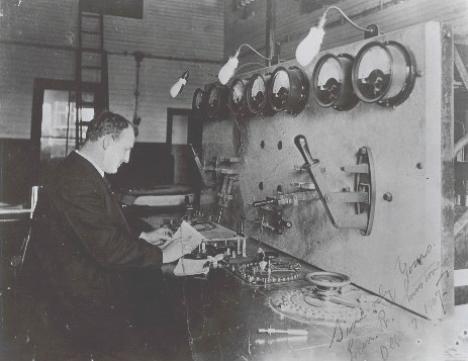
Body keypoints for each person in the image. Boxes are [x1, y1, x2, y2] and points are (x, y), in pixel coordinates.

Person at [19, 111, 192, 360]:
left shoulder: (82, 171)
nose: (127, 159)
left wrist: (142, 235)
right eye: (125, 149)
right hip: (69, 303)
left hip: (74, 289)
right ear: (106, 142)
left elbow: (100, 221)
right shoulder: (76, 180)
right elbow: (107, 248)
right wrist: (163, 254)